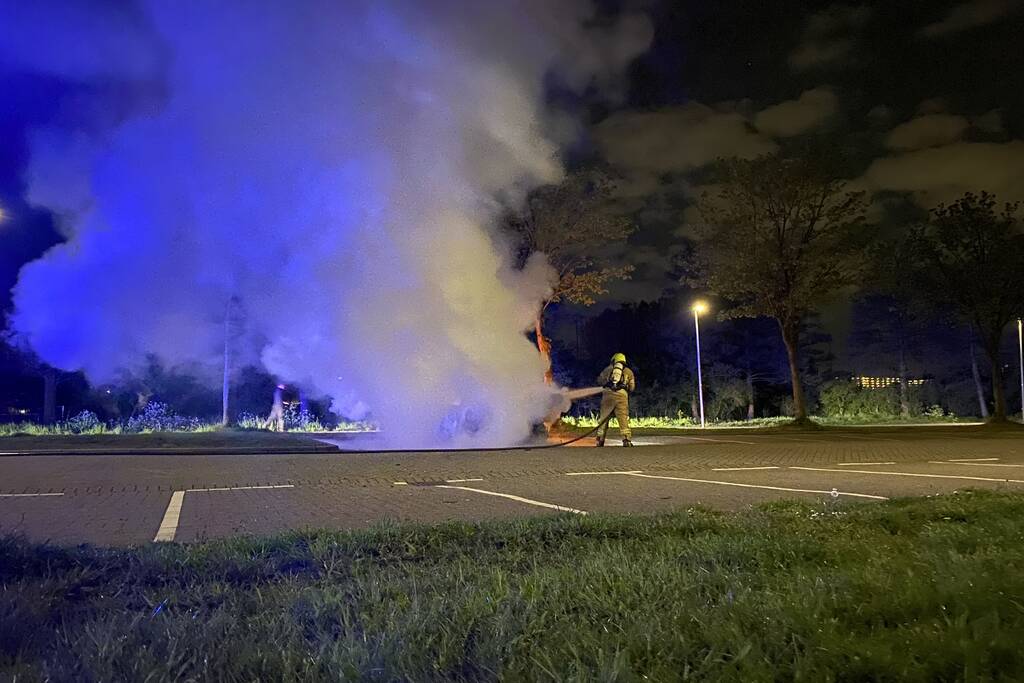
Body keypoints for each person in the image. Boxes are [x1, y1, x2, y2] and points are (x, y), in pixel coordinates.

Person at [596, 352, 635, 447]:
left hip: (608, 396)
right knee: (623, 418)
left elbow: (599, 381)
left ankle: (600, 440)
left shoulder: (608, 369)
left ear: (614, 360)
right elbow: (632, 388)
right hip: (622, 397)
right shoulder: (629, 371)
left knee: (604, 418)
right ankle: (626, 440)